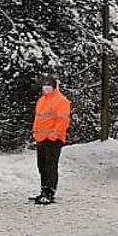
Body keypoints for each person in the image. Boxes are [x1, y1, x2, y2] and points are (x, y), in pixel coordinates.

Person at [30, 76, 71, 205]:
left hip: (53, 139)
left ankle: (49, 192)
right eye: (44, 85)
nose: (46, 88)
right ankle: (44, 190)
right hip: (41, 138)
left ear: (54, 87)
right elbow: (38, 118)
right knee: (42, 165)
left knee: (50, 166)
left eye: (49, 85)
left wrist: (54, 135)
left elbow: (63, 120)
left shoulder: (61, 101)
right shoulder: (41, 100)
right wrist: (36, 133)